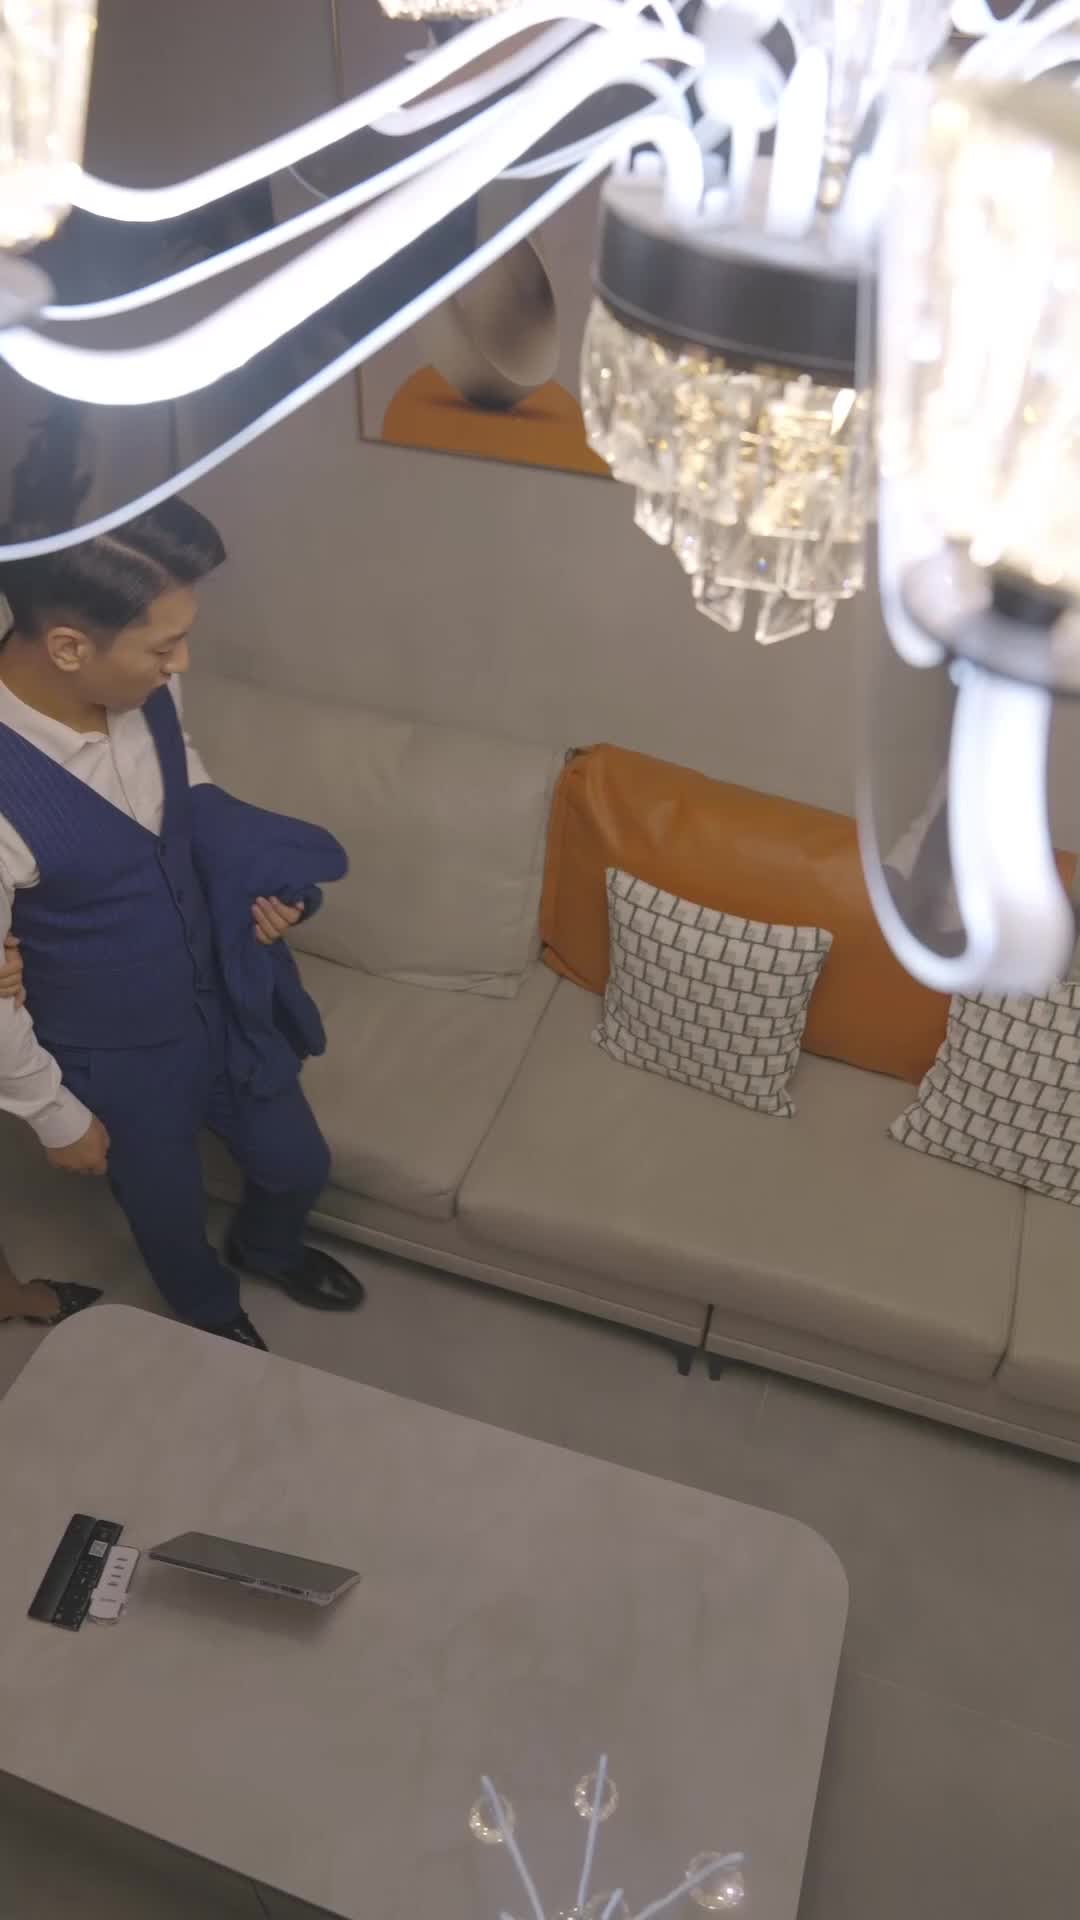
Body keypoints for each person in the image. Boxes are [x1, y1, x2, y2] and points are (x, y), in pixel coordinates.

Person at [0, 500, 364, 1350]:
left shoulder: (150, 688)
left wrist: (255, 882)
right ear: (68, 648)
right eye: (164, 648)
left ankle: (268, 1247)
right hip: (114, 1052)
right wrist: (52, 1113)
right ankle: (208, 1309)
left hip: (222, 995)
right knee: (166, 1212)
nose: (182, 664)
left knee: (298, 1163)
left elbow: (183, 783)